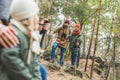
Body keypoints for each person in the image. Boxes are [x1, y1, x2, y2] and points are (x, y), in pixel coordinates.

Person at [0, 0, 41, 80]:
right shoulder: (12, 35)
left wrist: (37, 78)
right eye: (36, 15)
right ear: (28, 17)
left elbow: (35, 62)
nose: (38, 18)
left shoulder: (31, 36)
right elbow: (13, 64)